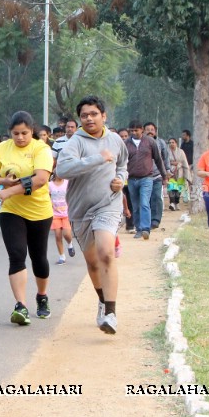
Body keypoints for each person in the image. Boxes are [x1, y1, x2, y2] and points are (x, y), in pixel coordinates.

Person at [56, 95, 128, 334]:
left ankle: (110, 312)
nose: (89, 118)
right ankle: (101, 299)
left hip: (108, 204)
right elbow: (63, 169)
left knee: (106, 253)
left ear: (104, 116)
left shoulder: (116, 140)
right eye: (84, 115)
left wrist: (121, 180)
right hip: (80, 210)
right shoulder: (75, 143)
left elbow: (122, 165)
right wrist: (97, 159)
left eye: (94, 114)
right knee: (92, 262)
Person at [0, 111, 54, 325]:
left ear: (32, 131)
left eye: (24, 133)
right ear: (10, 133)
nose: (20, 137)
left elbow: (41, 179)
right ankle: (21, 306)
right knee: (16, 255)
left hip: (39, 211)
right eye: (16, 133)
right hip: (11, 211)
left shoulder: (41, 149)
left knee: (39, 258)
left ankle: (42, 296)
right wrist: (3, 181)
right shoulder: (2, 148)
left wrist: (8, 191)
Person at [124, 120, 167, 240]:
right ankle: (138, 229)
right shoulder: (126, 144)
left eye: (136, 130)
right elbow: (121, 161)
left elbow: (158, 159)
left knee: (144, 203)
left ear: (141, 130)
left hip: (147, 178)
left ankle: (145, 228)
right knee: (136, 205)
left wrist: (164, 176)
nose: (134, 133)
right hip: (132, 179)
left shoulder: (150, 142)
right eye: (131, 131)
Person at [143, 122, 169, 229]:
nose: (150, 131)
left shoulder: (161, 143)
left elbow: (165, 158)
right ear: (143, 131)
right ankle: (147, 220)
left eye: (152, 129)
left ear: (155, 131)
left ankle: (156, 220)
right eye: (147, 129)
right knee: (146, 199)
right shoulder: (140, 143)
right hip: (144, 176)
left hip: (157, 175)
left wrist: (166, 172)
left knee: (157, 197)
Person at [48, 173, 75, 265]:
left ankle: (70, 244)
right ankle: (62, 256)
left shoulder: (67, 183)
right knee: (58, 236)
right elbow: (46, 196)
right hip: (55, 214)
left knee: (66, 234)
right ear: (55, 174)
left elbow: (72, 195)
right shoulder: (50, 184)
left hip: (66, 213)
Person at [166, 137, 191, 210]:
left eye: (173, 142)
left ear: (176, 143)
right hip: (170, 173)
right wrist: (172, 163)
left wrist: (187, 174)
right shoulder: (166, 152)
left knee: (178, 189)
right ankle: (172, 203)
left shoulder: (181, 152)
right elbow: (164, 161)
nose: (171, 144)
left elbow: (185, 163)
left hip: (180, 173)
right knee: (171, 188)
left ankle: (176, 203)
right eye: (170, 143)